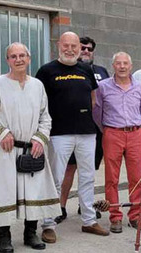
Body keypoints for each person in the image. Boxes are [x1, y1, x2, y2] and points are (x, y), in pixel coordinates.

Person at [0, 42, 60, 253]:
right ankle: (3, 236)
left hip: (32, 148)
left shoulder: (37, 85)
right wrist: (1, 133)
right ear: (7, 60)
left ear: (29, 59)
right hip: (6, 149)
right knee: (4, 190)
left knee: (32, 190)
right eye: (13, 56)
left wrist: (40, 139)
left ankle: (30, 233)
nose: (18, 59)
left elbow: (45, 116)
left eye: (22, 55)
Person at [35, 31, 108, 240]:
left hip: (86, 133)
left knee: (87, 177)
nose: (70, 50)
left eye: (74, 46)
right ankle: (48, 224)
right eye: (66, 45)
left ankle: (89, 220)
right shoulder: (47, 71)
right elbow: (40, 102)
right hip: (59, 133)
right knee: (55, 179)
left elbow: (92, 99)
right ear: (59, 45)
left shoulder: (86, 69)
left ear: (79, 47)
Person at [55, 36, 109, 224]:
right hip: (64, 131)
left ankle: (85, 207)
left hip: (92, 130)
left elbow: (97, 99)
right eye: (83, 48)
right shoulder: (55, 70)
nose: (86, 51)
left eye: (89, 49)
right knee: (67, 170)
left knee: (88, 172)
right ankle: (59, 207)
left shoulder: (100, 71)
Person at [93, 52, 141, 233]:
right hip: (112, 133)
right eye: (119, 63)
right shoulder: (103, 87)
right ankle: (115, 216)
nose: (122, 66)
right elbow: (97, 113)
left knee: (136, 178)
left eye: (125, 63)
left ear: (131, 66)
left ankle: (135, 216)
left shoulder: (140, 87)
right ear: (113, 66)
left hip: (135, 134)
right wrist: (107, 131)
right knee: (111, 178)